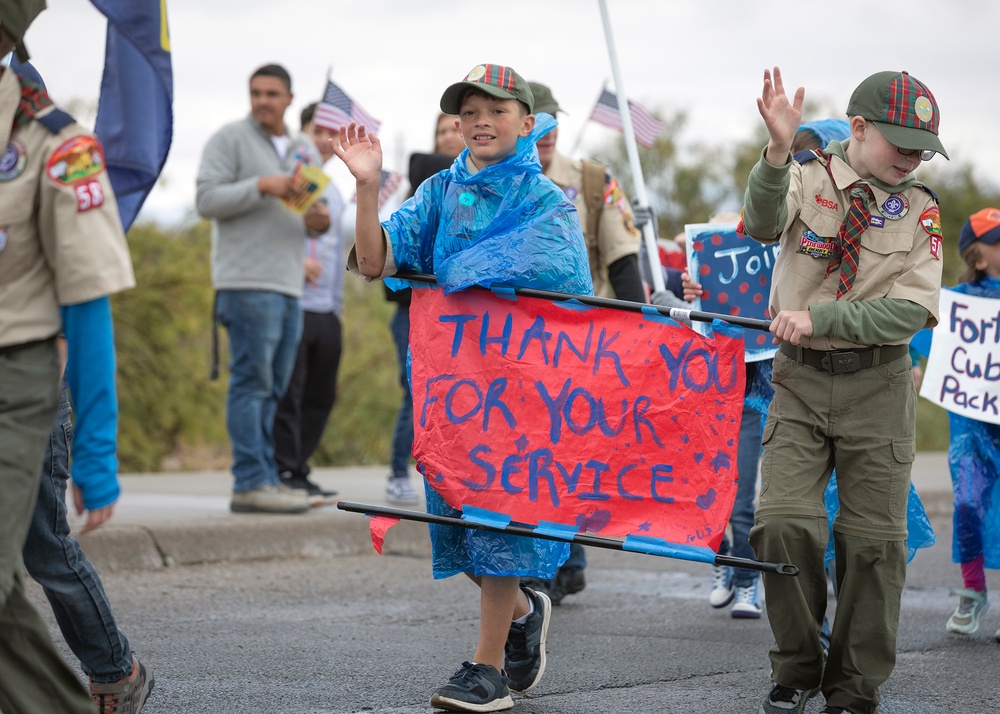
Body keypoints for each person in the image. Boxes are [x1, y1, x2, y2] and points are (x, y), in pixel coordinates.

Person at [333, 63, 592, 713]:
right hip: (450, 395)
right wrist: (366, 189)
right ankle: (525, 612)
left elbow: (565, 274)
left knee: (498, 524)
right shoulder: (440, 192)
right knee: (454, 525)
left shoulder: (543, 202)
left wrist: (455, 270)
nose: (480, 120)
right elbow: (375, 261)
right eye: (469, 110)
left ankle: (486, 671)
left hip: (519, 395)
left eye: (496, 110)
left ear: (527, 124)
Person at [742, 68, 947, 714]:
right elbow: (760, 220)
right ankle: (799, 664)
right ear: (857, 130)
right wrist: (775, 153)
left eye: (922, 144)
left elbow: (908, 312)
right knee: (782, 525)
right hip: (800, 382)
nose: (912, 155)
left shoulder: (922, 210)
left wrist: (823, 316)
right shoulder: (807, 177)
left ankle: (854, 685)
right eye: (900, 140)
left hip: (879, 386)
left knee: (874, 546)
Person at [0, 2, 137, 710]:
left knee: (41, 546)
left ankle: (114, 670)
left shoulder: (55, 145)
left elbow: (88, 305)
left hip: (24, 380)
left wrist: (97, 457)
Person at [521, 80, 647, 605]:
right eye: (537, 125)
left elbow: (622, 260)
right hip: (517, 342)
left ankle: (562, 560)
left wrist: (641, 334)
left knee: (567, 455)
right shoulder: (489, 184)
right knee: (531, 454)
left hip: (582, 343)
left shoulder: (594, 182)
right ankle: (557, 559)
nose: (546, 137)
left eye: (553, 124)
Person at [196, 63, 331, 514]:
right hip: (246, 282)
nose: (263, 101)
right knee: (251, 384)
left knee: (275, 387)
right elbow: (206, 200)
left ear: (290, 99)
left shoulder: (301, 148)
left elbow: (314, 212)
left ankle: (268, 480)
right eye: (256, 92)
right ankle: (249, 482)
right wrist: (261, 185)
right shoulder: (229, 139)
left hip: (289, 283)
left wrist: (318, 218)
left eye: (272, 93)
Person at [384, 111, 462, 506]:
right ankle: (400, 469)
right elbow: (422, 163)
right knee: (415, 389)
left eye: (456, 129)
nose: (449, 136)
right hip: (413, 312)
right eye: (442, 130)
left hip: (460, 316)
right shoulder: (425, 186)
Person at [272, 101, 346, 506]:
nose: (323, 140)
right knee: (290, 391)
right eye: (316, 131)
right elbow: (274, 229)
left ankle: (299, 466)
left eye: (330, 133)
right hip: (294, 301)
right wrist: (294, 261)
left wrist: (338, 307)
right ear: (301, 135)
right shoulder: (293, 179)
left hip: (328, 309)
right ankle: (283, 468)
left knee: (321, 394)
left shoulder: (334, 190)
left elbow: (335, 250)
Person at [942, 208, 1000, 640]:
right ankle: (973, 590)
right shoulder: (957, 302)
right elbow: (928, 346)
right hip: (970, 431)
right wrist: (916, 369)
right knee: (967, 506)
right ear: (978, 257)